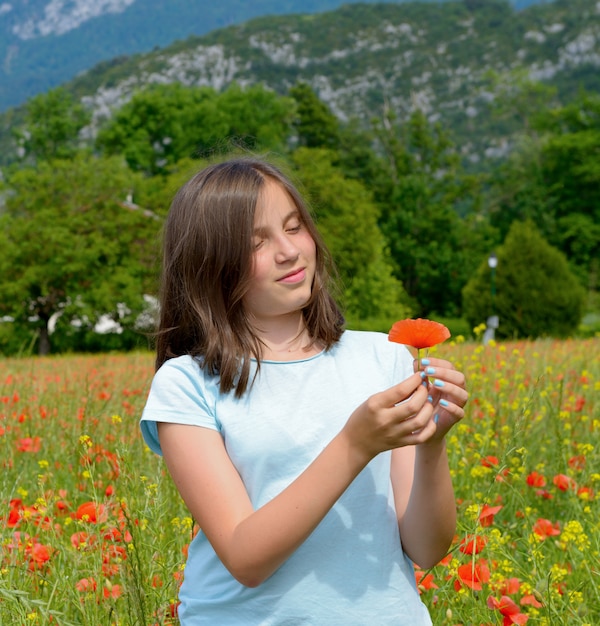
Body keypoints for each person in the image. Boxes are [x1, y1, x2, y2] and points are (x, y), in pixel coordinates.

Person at [140, 157, 468, 625]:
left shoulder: (385, 358)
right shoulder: (186, 384)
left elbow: (426, 548)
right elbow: (245, 558)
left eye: (294, 228)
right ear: (211, 264)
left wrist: (432, 443)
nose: (289, 251)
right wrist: (356, 445)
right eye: (257, 242)